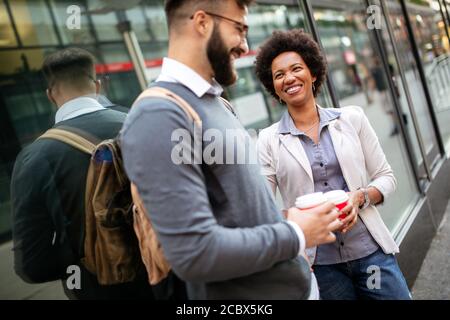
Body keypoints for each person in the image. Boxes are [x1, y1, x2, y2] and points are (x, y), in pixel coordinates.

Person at [120, 0, 343, 300]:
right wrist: (295, 233)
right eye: (239, 28)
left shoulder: (216, 103)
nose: (244, 45)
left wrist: (290, 229)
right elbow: (195, 253)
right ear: (202, 22)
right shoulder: (158, 115)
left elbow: (236, 211)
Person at [255, 29, 411, 300]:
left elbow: (386, 177)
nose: (289, 78)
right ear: (275, 88)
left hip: (370, 252)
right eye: (279, 75)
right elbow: (261, 209)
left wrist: (359, 197)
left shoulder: (352, 119)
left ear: (312, 73)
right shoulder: (268, 140)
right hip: (320, 267)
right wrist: (296, 219)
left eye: (296, 69)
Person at [11, 47, 154, 299]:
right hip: (171, 280)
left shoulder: (34, 158)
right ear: (98, 86)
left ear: (50, 95)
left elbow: (33, 266)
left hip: (101, 291)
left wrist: (87, 251)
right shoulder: (145, 122)